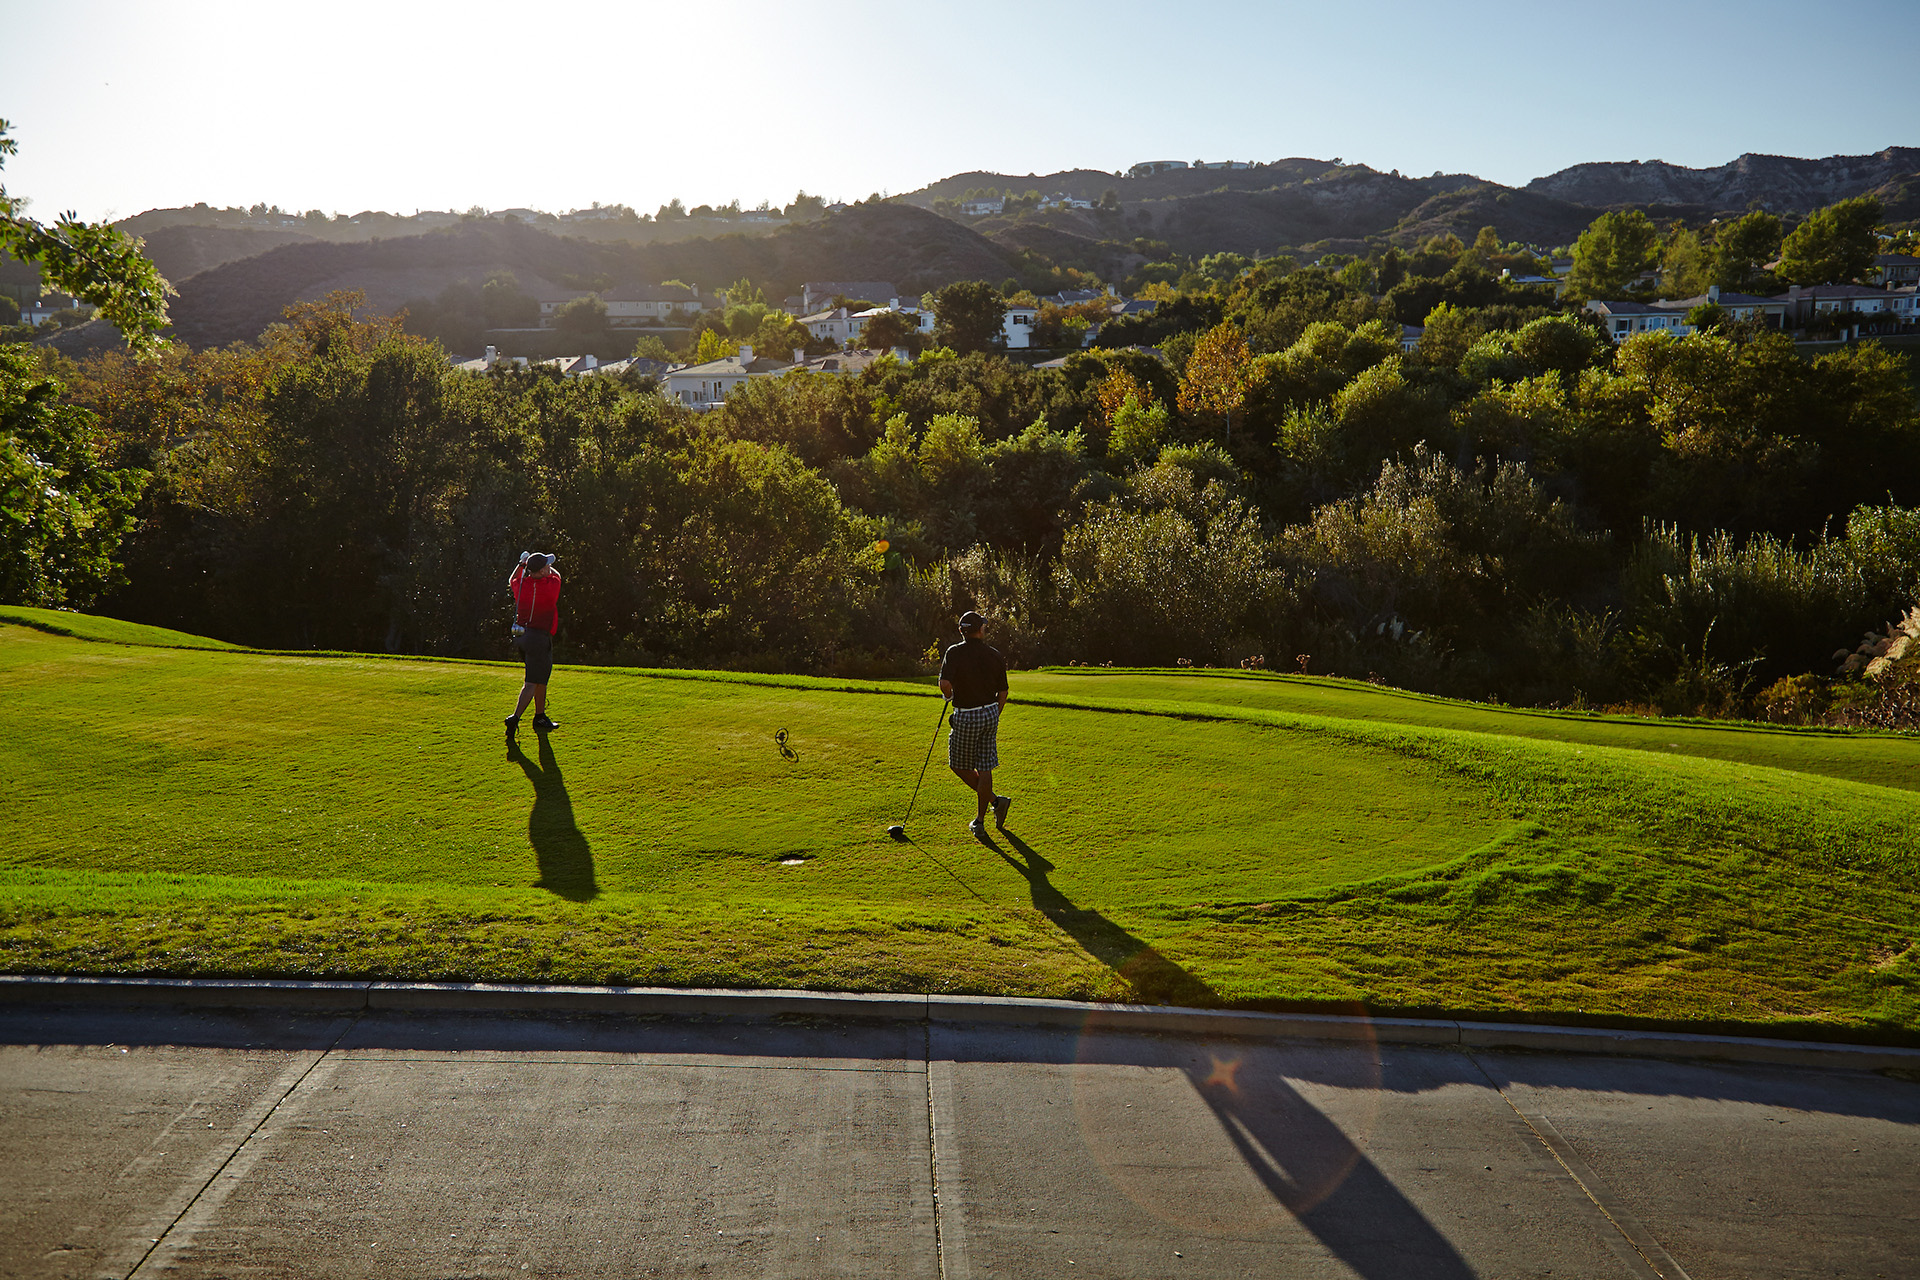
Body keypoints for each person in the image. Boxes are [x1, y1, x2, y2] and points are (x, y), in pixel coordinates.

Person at [940, 609, 1011, 835]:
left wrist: (949, 696)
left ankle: (994, 804)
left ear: (962, 632)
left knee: (959, 765)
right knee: (985, 766)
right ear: (980, 630)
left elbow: (944, 685)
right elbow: (1003, 692)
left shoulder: (954, 652)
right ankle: (986, 813)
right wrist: (994, 714)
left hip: (966, 714)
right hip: (990, 713)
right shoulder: (995, 654)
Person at [506, 552, 562, 740]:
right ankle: (515, 717)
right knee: (531, 682)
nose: (549, 568)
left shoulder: (521, 585)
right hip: (539, 638)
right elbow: (557, 575)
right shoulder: (551, 585)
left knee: (540, 678)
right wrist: (542, 568)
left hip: (522, 637)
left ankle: (539, 716)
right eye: (546, 566)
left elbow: (512, 578)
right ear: (540, 571)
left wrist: (522, 564)